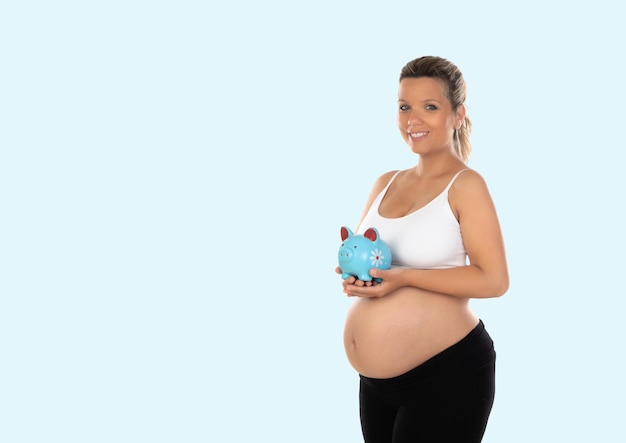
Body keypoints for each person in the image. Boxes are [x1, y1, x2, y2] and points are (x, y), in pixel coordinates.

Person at [337, 55, 509, 443]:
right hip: (376, 383)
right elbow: (369, 254)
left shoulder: (467, 185)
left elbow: (494, 280)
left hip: (446, 375)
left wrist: (400, 279)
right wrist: (356, 277)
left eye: (430, 107)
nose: (413, 120)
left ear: (457, 114)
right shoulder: (384, 181)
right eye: (404, 107)